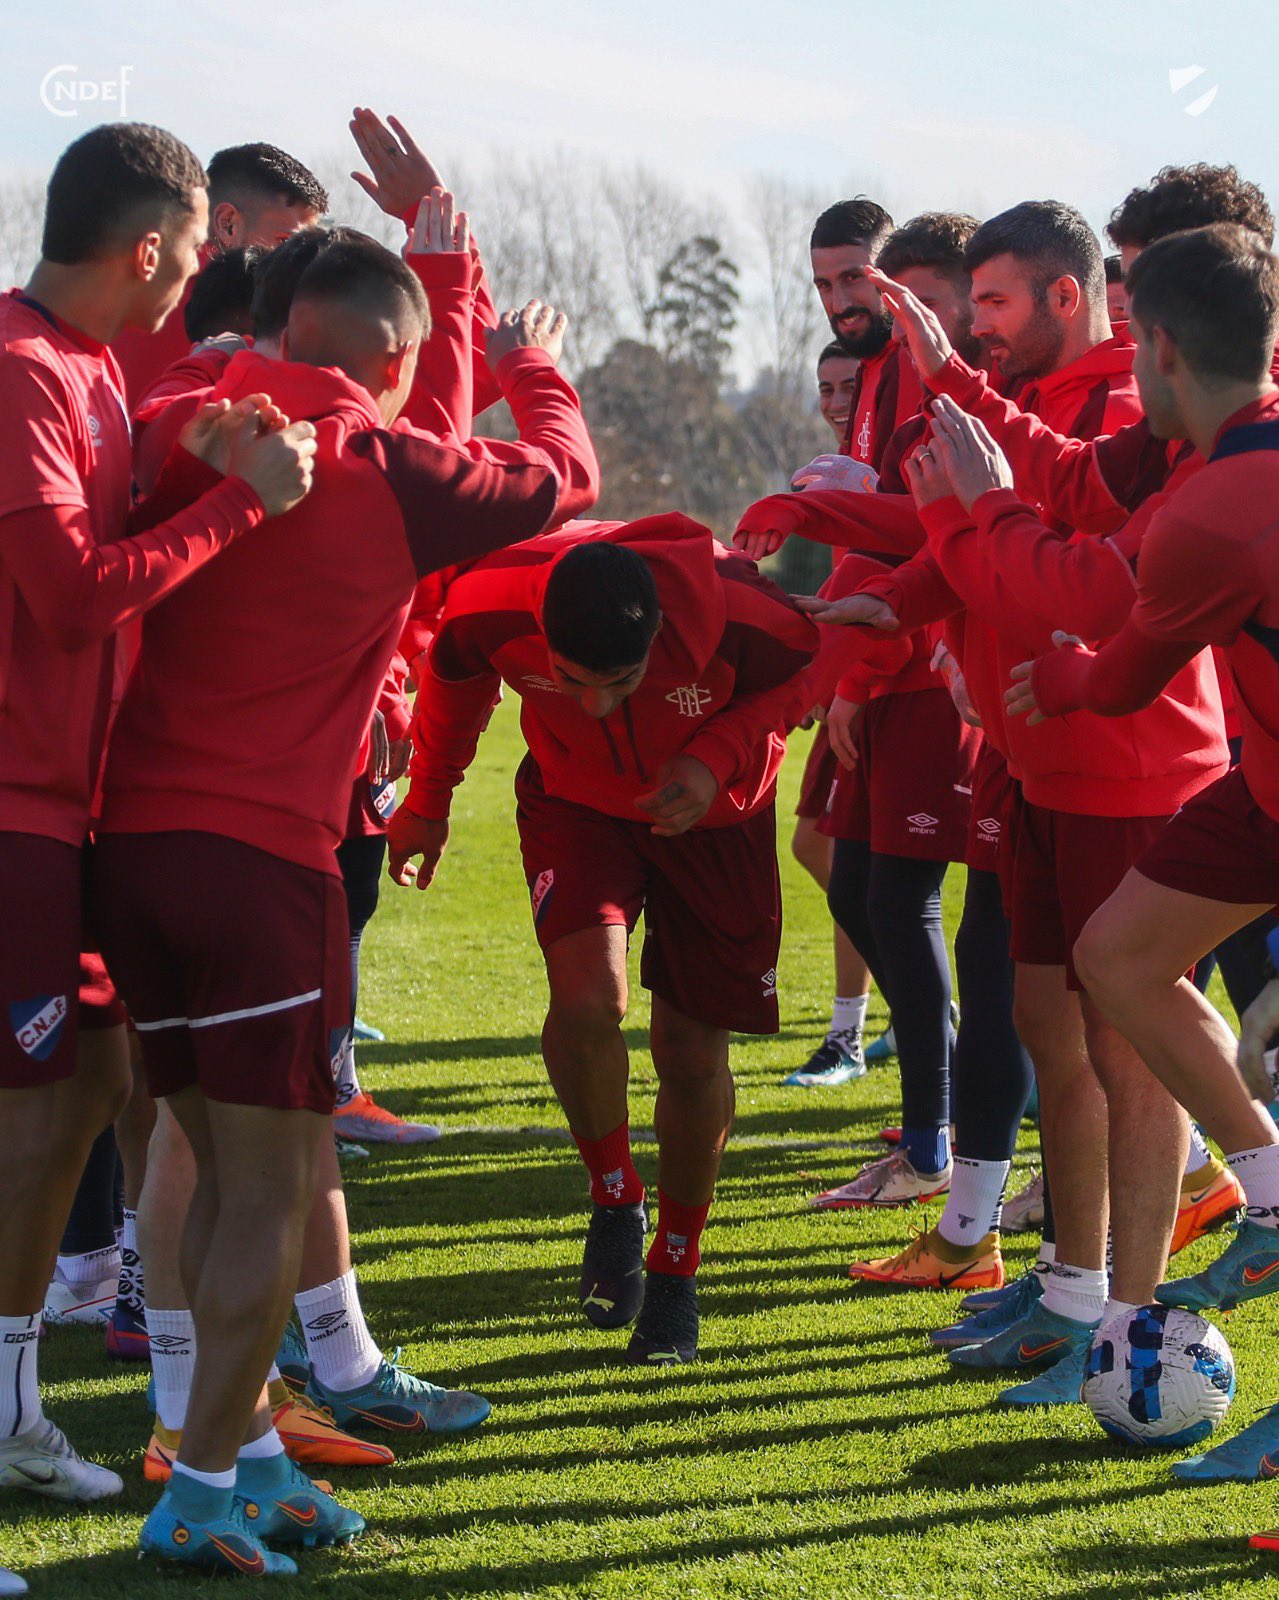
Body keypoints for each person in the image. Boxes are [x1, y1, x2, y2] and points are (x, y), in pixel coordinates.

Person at [93, 234, 598, 1574]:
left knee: (198, 1169)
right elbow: (565, 480)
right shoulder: (387, 462)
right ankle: (204, 1486)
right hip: (262, 866)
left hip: (122, 853)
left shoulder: (172, 415)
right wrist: (528, 364)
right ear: (394, 359)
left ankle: (238, 1447)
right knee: (265, 1187)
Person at [0, 121, 316, 1513]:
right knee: (31, 1114)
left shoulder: (86, 370)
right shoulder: (20, 371)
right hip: (11, 800)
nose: (191, 285)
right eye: (189, 259)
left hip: (67, 809)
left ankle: (15, 1405)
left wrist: (193, 466)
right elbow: (72, 598)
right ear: (146, 248)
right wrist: (237, 511)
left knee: (90, 1088)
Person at [388, 519, 818, 1365]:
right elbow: (455, 678)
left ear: (657, 635)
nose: (592, 702)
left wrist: (717, 755)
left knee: (690, 1052)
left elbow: (815, 669)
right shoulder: (490, 601)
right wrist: (427, 801)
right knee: (589, 1002)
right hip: (575, 804)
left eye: (617, 682)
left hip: (714, 817)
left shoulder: (744, 613)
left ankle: (676, 1270)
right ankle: (617, 1200)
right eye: (570, 679)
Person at [1005, 224, 1279, 1489]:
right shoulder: (1216, 456)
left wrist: (1054, 675)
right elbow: (1086, 493)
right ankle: (1271, 1193)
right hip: (1259, 791)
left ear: (1158, 349)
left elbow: (1118, 674)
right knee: (1118, 954)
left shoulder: (1219, 507)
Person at [785, 339, 874, 1090]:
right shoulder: (842, 464)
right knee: (820, 851)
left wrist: (847, 684)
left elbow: (896, 583)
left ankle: (856, 1031)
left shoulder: (887, 458)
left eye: (848, 385)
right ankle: (905, 1015)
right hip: (853, 682)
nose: (835, 400)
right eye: (825, 387)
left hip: (883, 691)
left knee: (875, 877)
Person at [111, 142, 327, 409]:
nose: (299, 261)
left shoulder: (116, 291)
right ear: (228, 223)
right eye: (286, 241)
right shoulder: (263, 308)